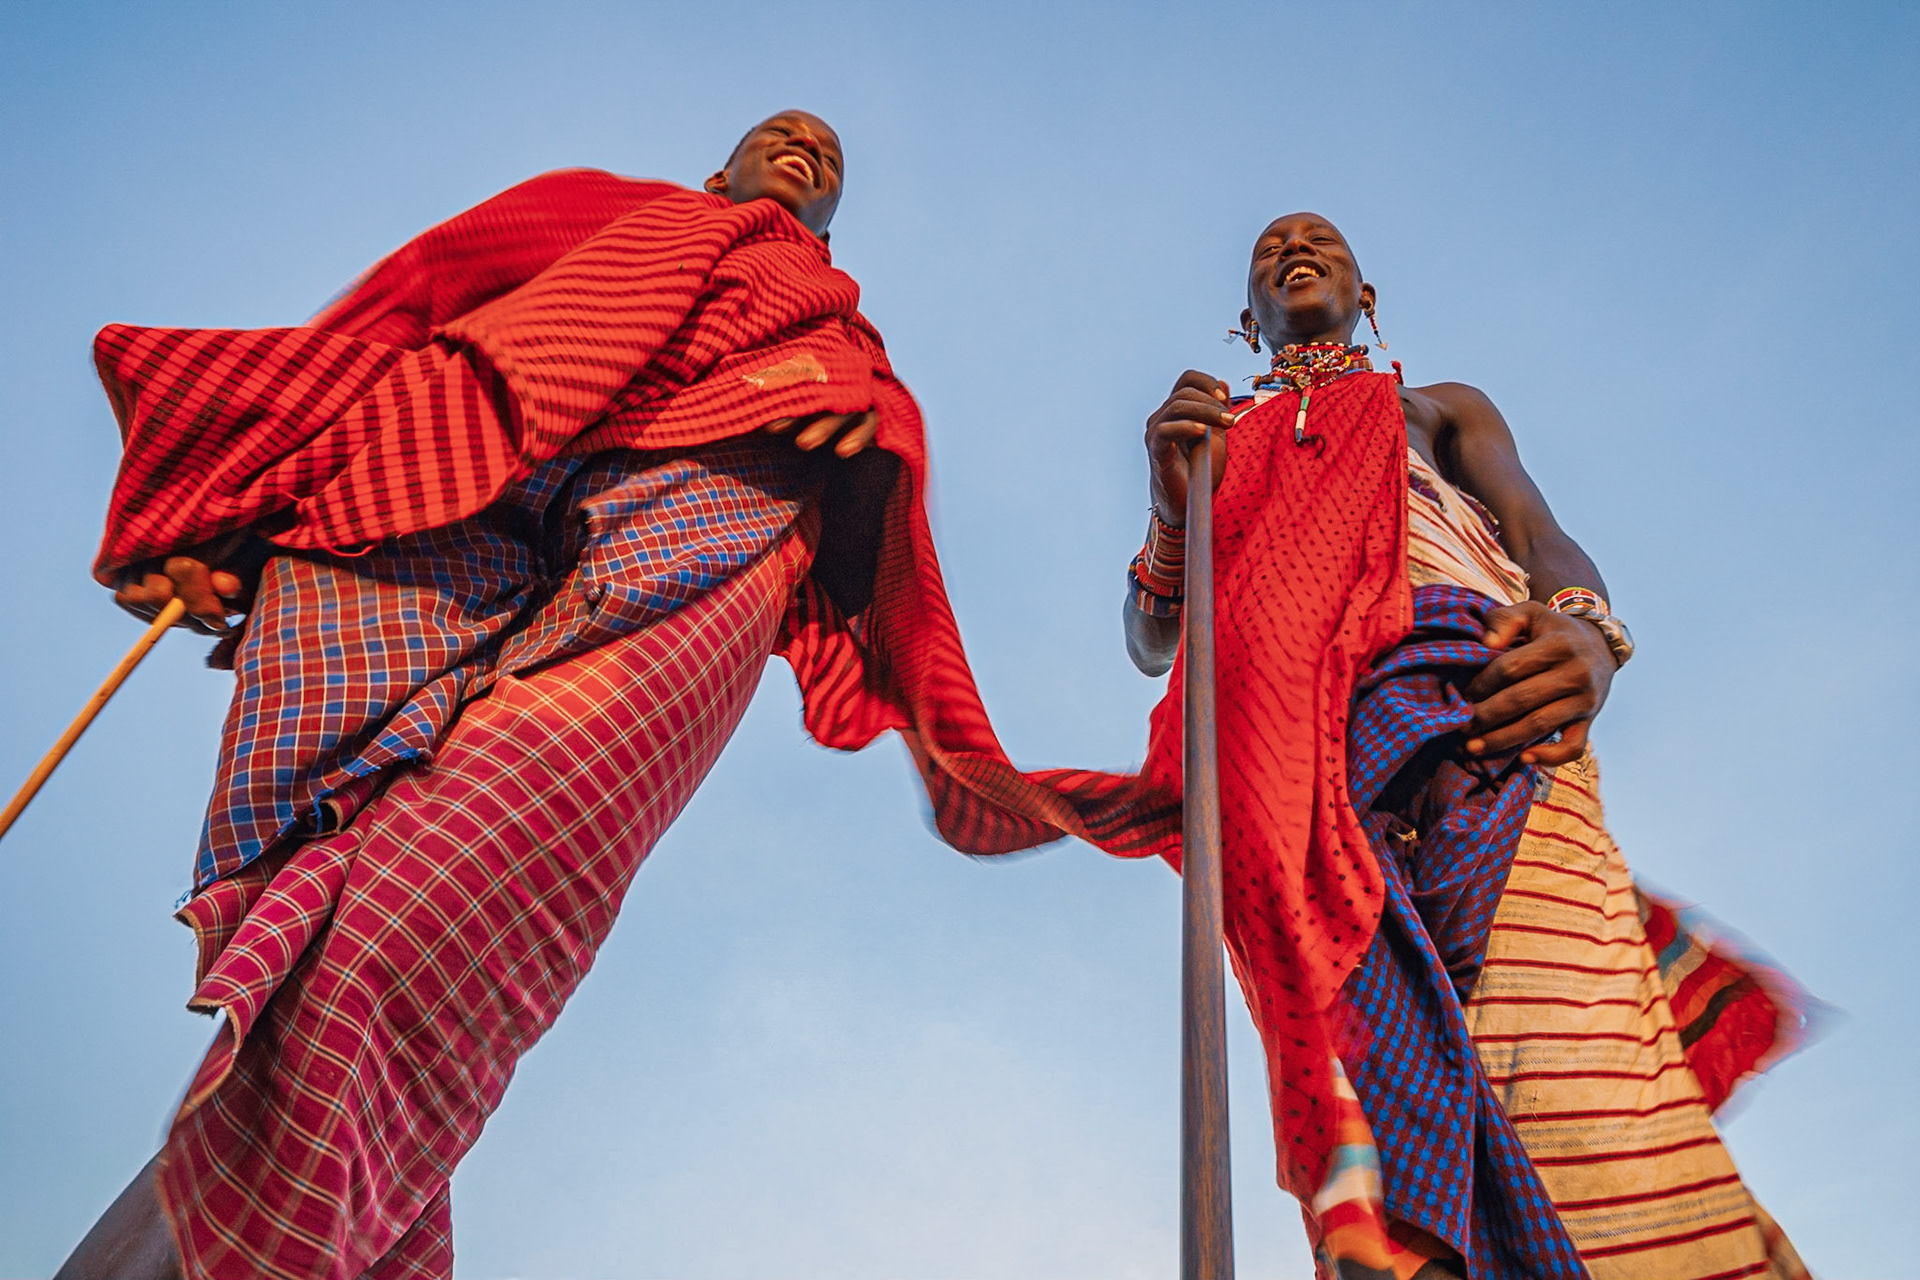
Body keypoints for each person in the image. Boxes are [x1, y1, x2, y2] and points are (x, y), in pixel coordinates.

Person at [57, 111, 1170, 1280]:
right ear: (715, 167)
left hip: (720, 498)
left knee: (439, 890)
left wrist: (849, 443)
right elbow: (405, 299)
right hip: (475, 462)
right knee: (331, 821)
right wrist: (242, 491)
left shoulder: (840, 335)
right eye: (781, 133)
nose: (807, 146)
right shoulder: (593, 210)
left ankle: (229, 1240)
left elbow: (882, 487)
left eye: (829, 154)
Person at [1125, 212, 1810, 1279]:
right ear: (1243, 314)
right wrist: (1175, 505)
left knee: (1577, 1080)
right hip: (1285, 769)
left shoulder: (1437, 408)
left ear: (1368, 290)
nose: (1295, 248)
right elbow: (1153, 632)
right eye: (1269, 249)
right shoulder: (1219, 436)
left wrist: (1588, 628)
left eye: (1321, 240)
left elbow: (1538, 535)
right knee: (1375, 1114)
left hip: (1479, 694)